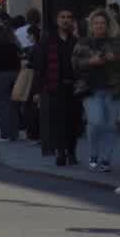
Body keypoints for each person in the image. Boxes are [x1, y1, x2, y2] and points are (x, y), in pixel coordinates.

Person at [73, 10, 120, 171]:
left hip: (113, 88)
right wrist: (90, 61)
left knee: (110, 126)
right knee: (96, 121)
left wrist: (115, 58)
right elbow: (74, 64)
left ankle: (105, 159)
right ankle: (93, 153)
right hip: (90, 89)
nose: (99, 26)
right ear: (91, 26)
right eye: (96, 23)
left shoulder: (116, 43)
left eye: (102, 23)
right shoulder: (83, 43)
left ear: (107, 25)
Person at [32, 9, 80, 165]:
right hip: (54, 86)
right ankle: (61, 152)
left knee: (73, 121)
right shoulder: (47, 42)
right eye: (62, 17)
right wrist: (38, 90)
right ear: (57, 20)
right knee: (57, 121)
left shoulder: (76, 41)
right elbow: (39, 66)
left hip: (73, 87)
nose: (65, 20)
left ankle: (71, 152)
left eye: (68, 17)